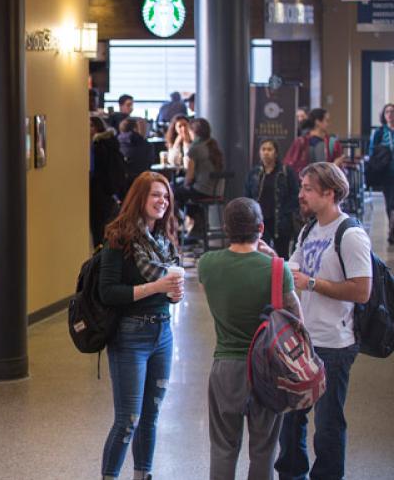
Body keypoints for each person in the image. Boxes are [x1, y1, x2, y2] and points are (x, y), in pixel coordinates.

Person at [275, 162, 372, 480]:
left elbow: (361, 291)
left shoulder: (351, 234)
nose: (300, 194)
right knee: (291, 421)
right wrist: (269, 261)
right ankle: (292, 473)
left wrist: (312, 283)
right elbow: (295, 270)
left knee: (328, 425)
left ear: (329, 194)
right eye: (302, 187)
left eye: (307, 189)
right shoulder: (308, 229)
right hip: (303, 340)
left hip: (335, 344)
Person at [199, 198, 301, 480]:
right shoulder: (278, 270)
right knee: (264, 450)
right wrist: (272, 260)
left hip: (226, 368)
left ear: (225, 228)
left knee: (222, 448)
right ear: (261, 228)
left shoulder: (207, 265)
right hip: (267, 370)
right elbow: (297, 321)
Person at [98, 172, 183, 480]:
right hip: (130, 336)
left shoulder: (164, 239)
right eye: (155, 195)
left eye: (166, 196)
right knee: (128, 419)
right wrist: (157, 287)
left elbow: (167, 292)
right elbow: (108, 292)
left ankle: (142, 474)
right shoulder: (118, 238)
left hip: (163, 334)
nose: (162, 201)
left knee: (151, 417)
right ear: (139, 199)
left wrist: (173, 294)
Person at [245, 140, 300, 258]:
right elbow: (248, 196)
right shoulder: (254, 173)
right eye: (263, 149)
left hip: (280, 220)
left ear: (276, 153)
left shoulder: (286, 172)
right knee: (261, 253)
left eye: (269, 149)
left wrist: (286, 212)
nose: (266, 152)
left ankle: (282, 275)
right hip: (259, 220)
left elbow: (295, 194)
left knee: (282, 254)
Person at [175, 118, 225, 236]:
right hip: (217, 191)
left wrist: (184, 184)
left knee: (174, 193)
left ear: (194, 132)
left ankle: (193, 221)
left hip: (202, 191)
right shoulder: (213, 144)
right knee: (184, 192)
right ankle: (199, 222)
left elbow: (189, 176)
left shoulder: (195, 148)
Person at [91, 116, 126, 248]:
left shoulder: (98, 146)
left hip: (100, 192)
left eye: (91, 126)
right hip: (110, 193)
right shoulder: (111, 143)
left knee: (99, 230)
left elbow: (98, 172)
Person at [283, 108, 343, 174]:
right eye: (327, 121)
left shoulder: (332, 144)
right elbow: (290, 165)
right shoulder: (301, 142)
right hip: (305, 181)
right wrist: (334, 166)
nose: (328, 124)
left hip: (325, 182)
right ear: (317, 122)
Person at [367, 103, 394, 243]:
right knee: (390, 201)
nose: (390, 114)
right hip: (387, 172)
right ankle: (392, 227)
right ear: (384, 115)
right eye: (387, 112)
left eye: (392, 112)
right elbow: (372, 152)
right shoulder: (379, 132)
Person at [119, 118, 154, 183]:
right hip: (142, 181)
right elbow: (149, 164)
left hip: (120, 183)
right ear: (135, 129)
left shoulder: (115, 143)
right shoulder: (146, 145)